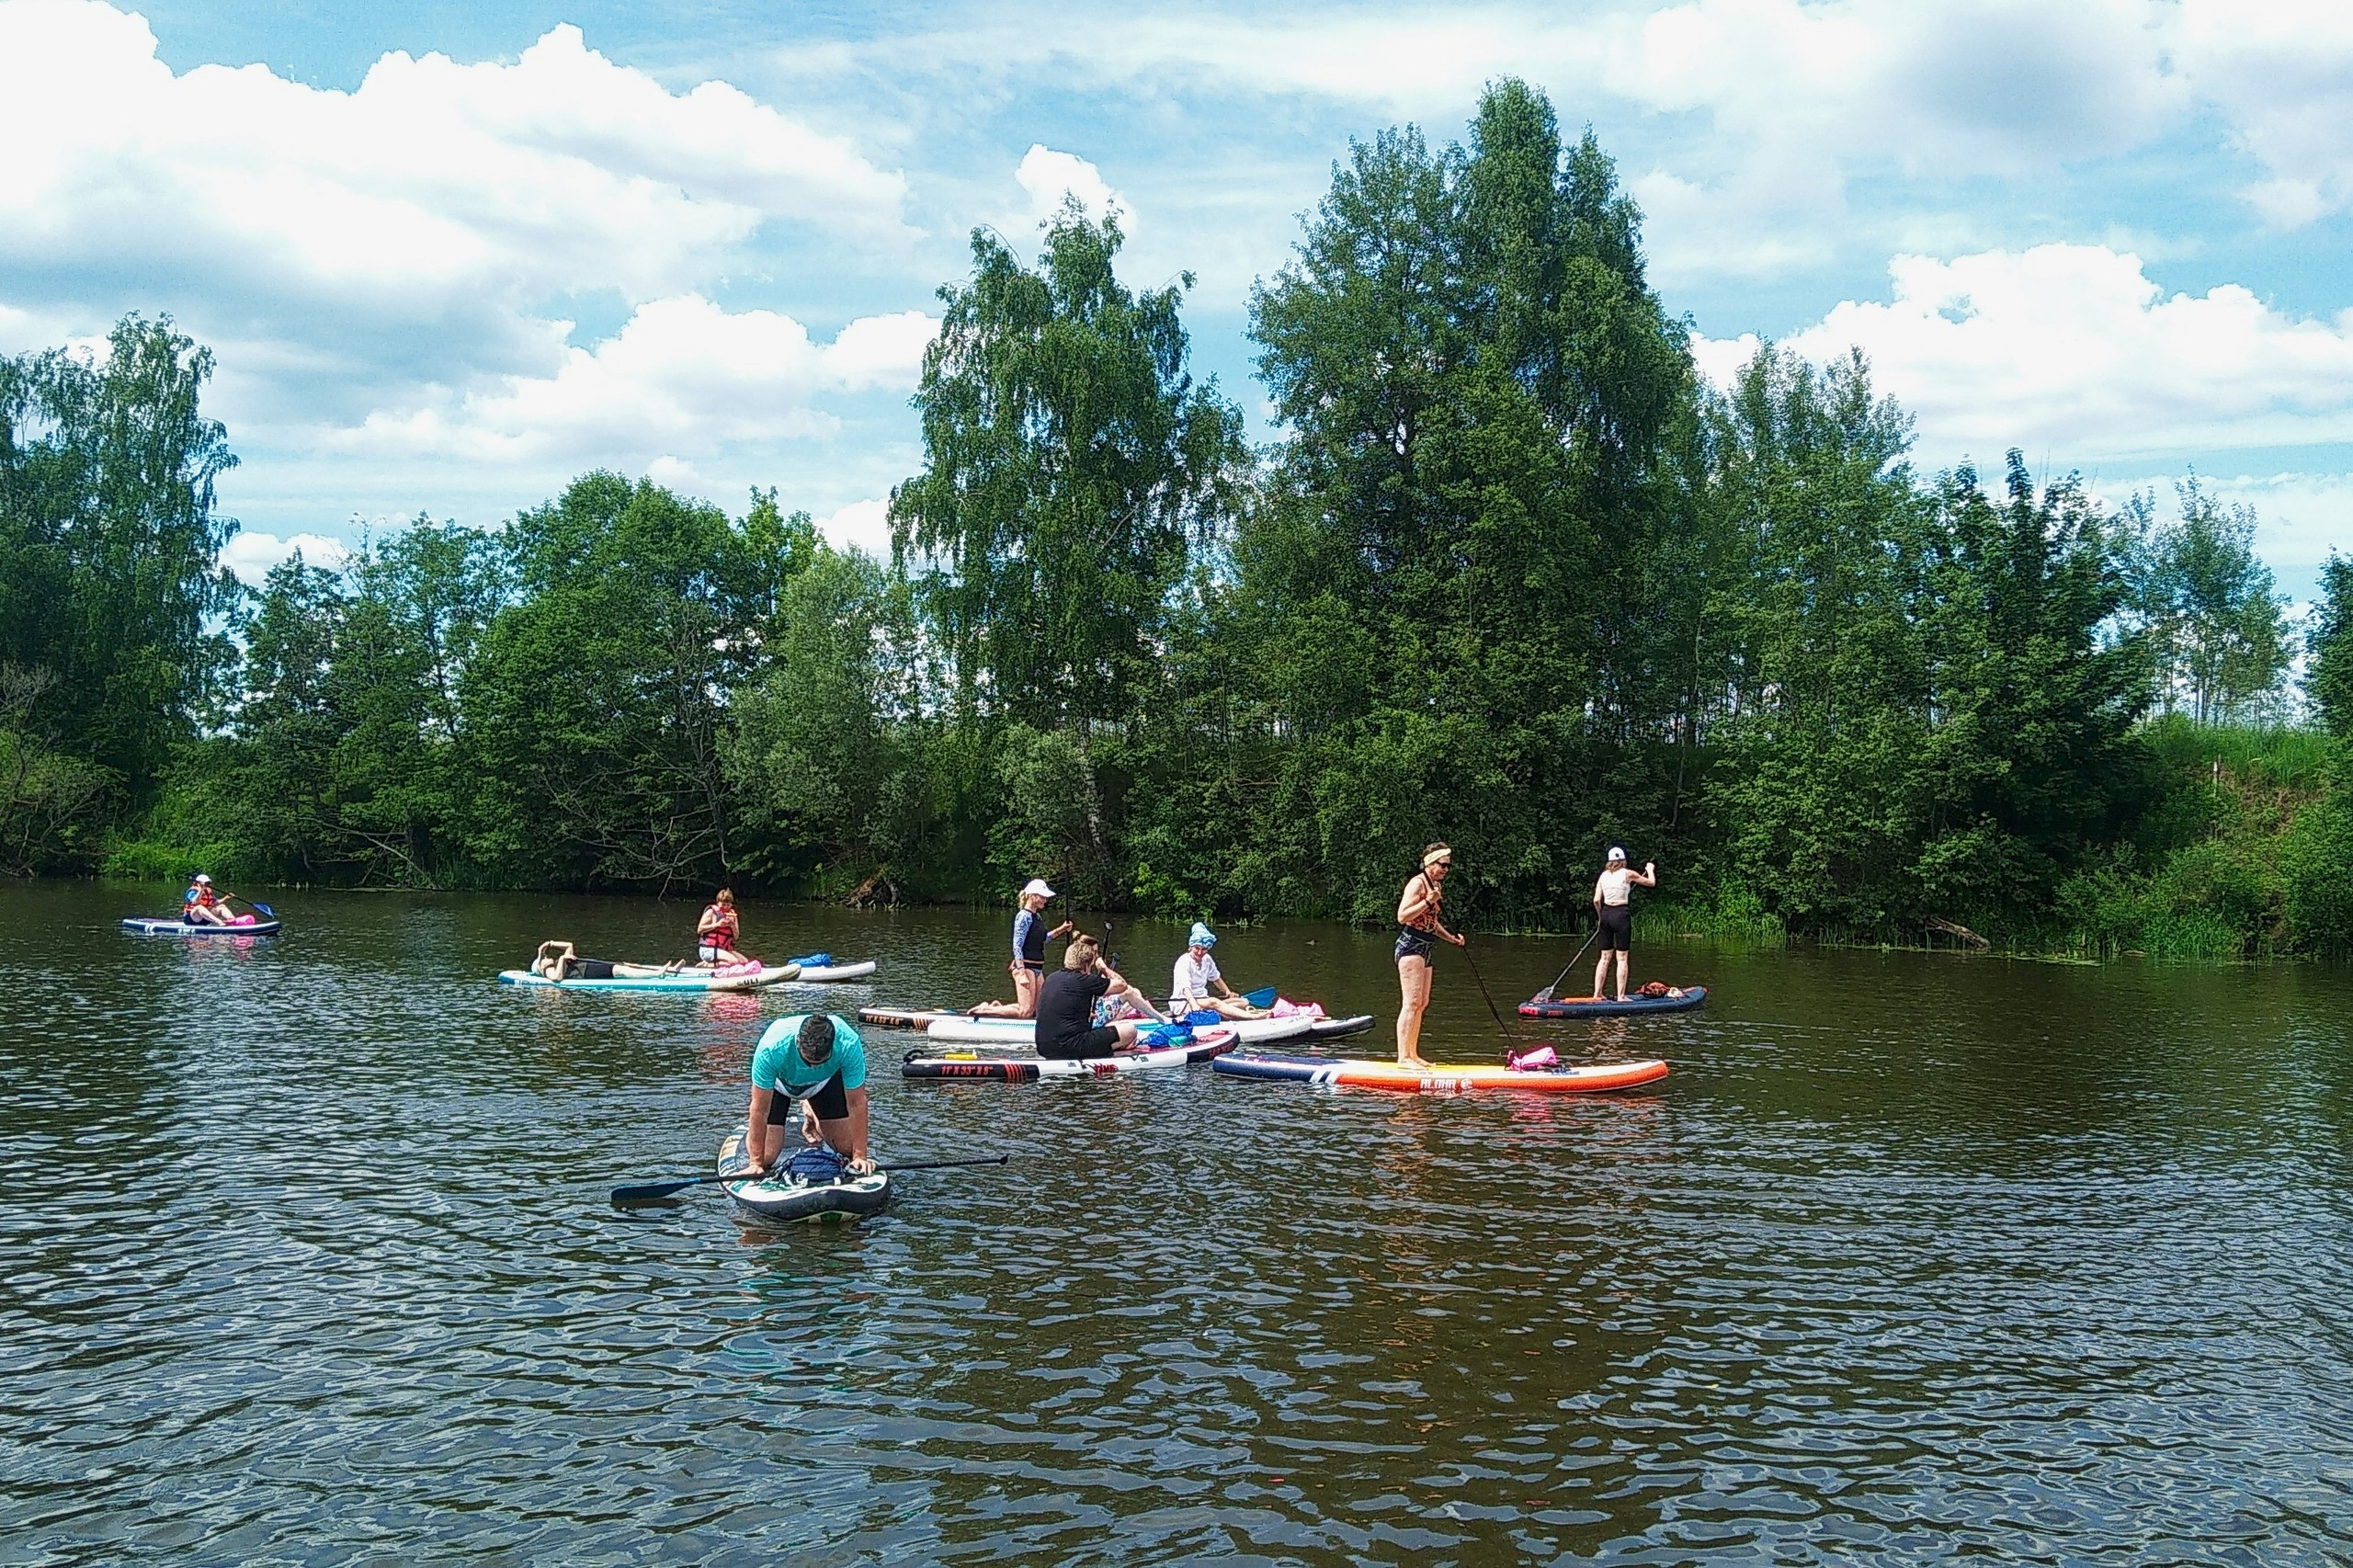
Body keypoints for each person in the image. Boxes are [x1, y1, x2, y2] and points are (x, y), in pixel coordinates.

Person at [743, 1012, 874, 1176]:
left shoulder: (848, 1043)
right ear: (798, 1041)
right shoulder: (771, 1047)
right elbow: (759, 1109)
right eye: (807, 1062)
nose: (812, 1068)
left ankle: (812, 1111)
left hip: (823, 1082)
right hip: (780, 1085)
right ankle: (805, 1104)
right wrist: (755, 1162)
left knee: (847, 1147)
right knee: (767, 1157)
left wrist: (860, 1156)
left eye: (819, 1063)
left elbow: (857, 1102)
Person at [1394, 843, 1465, 1068]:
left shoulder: (1435, 885)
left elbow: (1431, 923)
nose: (1446, 869)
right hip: (1410, 945)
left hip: (1427, 945)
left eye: (1448, 866)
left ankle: (1413, 1055)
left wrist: (1451, 938)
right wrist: (1427, 901)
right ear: (1430, 863)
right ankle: (1403, 1057)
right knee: (1411, 1002)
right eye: (1442, 865)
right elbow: (1402, 916)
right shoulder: (1417, 884)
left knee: (1423, 1002)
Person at [1035, 935, 1163, 1059]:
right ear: (1086, 965)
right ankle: (1114, 1053)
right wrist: (1104, 969)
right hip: (1071, 1046)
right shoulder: (1085, 979)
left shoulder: (1051, 978)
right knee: (1130, 1029)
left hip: (1043, 1047)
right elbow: (1122, 985)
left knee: (1119, 1024)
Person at [971, 879, 1072, 1017]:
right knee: (1025, 1011)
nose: (1045, 900)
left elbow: (1043, 939)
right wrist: (1022, 973)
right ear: (1032, 896)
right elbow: (1017, 945)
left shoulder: (1037, 917)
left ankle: (997, 1007)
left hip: (1037, 967)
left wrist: (1061, 929)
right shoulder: (1023, 917)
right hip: (1025, 966)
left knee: (1036, 1010)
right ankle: (984, 1010)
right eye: (1042, 897)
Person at [1591, 846, 1658, 1002]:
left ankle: (1597, 993)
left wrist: (1601, 917)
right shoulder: (1628, 873)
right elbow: (1651, 883)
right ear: (1623, 860)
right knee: (1621, 958)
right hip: (1621, 914)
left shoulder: (1603, 876)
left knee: (1604, 958)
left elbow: (1596, 900)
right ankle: (1621, 996)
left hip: (1606, 914)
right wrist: (1650, 869)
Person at [1170, 921, 1260, 1019]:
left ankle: (1218, 1012)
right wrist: (1194, 1005)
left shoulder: (1207, 959)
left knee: (1244, 1002)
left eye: (1204, 949)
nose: (1200, 952)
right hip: (1185, 1002)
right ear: (1191, 946)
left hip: (1203, 1000)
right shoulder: (1184, 961)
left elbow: (1216, 978)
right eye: (1197, 948)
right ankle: (1253, 1017)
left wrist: (1228, 992)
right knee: (1214, 1001)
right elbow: (1185, 988)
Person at [527, 941, 681, 982]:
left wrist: (551, 944)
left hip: (589, 967)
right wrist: (562, 958)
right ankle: (658, 975)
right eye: (544, 960)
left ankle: (668, 971)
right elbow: (557, 978)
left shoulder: (554, 964)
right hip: (587, 973)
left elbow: (569, 945)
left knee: (625, 965)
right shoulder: (549, 971)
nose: (547, 958)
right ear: (541, 968)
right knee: (620, 971)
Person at [697, 888, 748, 966]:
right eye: (723, 905)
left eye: (728, 905)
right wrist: (717, 925)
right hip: (708, 949)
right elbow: (699, 929)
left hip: (723, 949)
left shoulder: (733, 915)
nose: (726, 907)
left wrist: (732, 926)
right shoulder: (711, 912)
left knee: (744, 962)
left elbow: (736, 937)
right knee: (734, 962)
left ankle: (720, 966)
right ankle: (706, 965)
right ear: (718, 903)